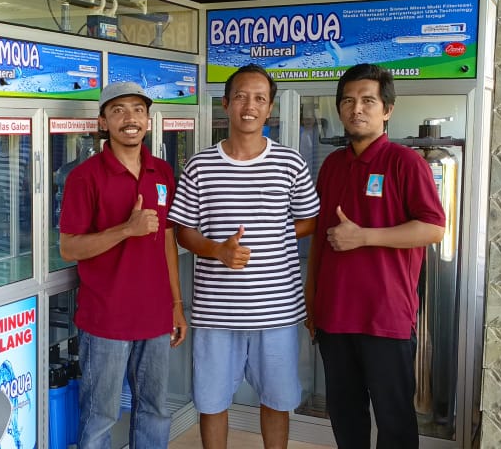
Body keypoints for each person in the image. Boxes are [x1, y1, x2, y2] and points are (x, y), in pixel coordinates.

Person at [168, 64, 319, 449]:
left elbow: (310, 218)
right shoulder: (200, 166)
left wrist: (275, 234)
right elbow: (182, 230)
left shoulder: (290, 163)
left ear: (270, 109)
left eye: (259, 99)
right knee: (212, 402)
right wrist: (218, 250)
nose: (249, 106)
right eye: (240, 97)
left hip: (277, 311)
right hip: (216, 312)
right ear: (225, 104)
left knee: (277, 400)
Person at [305, 63, 445, 449]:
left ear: (387, 109)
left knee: (394, 421)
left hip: (385, 319)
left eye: (368, 100)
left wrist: (364, 237)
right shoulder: (332, 165)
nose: (357, 109)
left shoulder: (405, 163)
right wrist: (312, 301)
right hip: (335, 318)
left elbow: (433, 228)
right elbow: (320, 239)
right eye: (348, 101)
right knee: (346, 417)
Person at [58, 81, 188, 449]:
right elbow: (69, 248)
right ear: (103, 121)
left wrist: (176, 306)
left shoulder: (161, 172)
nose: (130, 118)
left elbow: (166, 239)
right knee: (101, 416)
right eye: (118, 111)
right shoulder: (84, 178)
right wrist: (127, 230)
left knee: (155, 410)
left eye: (138, 110)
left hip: (154, 317)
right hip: (106, 320)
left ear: (148, 120)